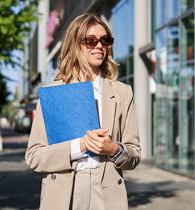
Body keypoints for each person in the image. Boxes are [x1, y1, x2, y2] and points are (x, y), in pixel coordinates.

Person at [25, 13, 141, 210]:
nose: (99, 46)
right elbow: (34, 156)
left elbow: (134, 155)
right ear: (75, 44)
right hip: (64, 192)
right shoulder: (53, 93)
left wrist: (113, 149)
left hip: (106, 192)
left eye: (105, 40)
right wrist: (79, 146)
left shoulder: (122, 92)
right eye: (91, 40)